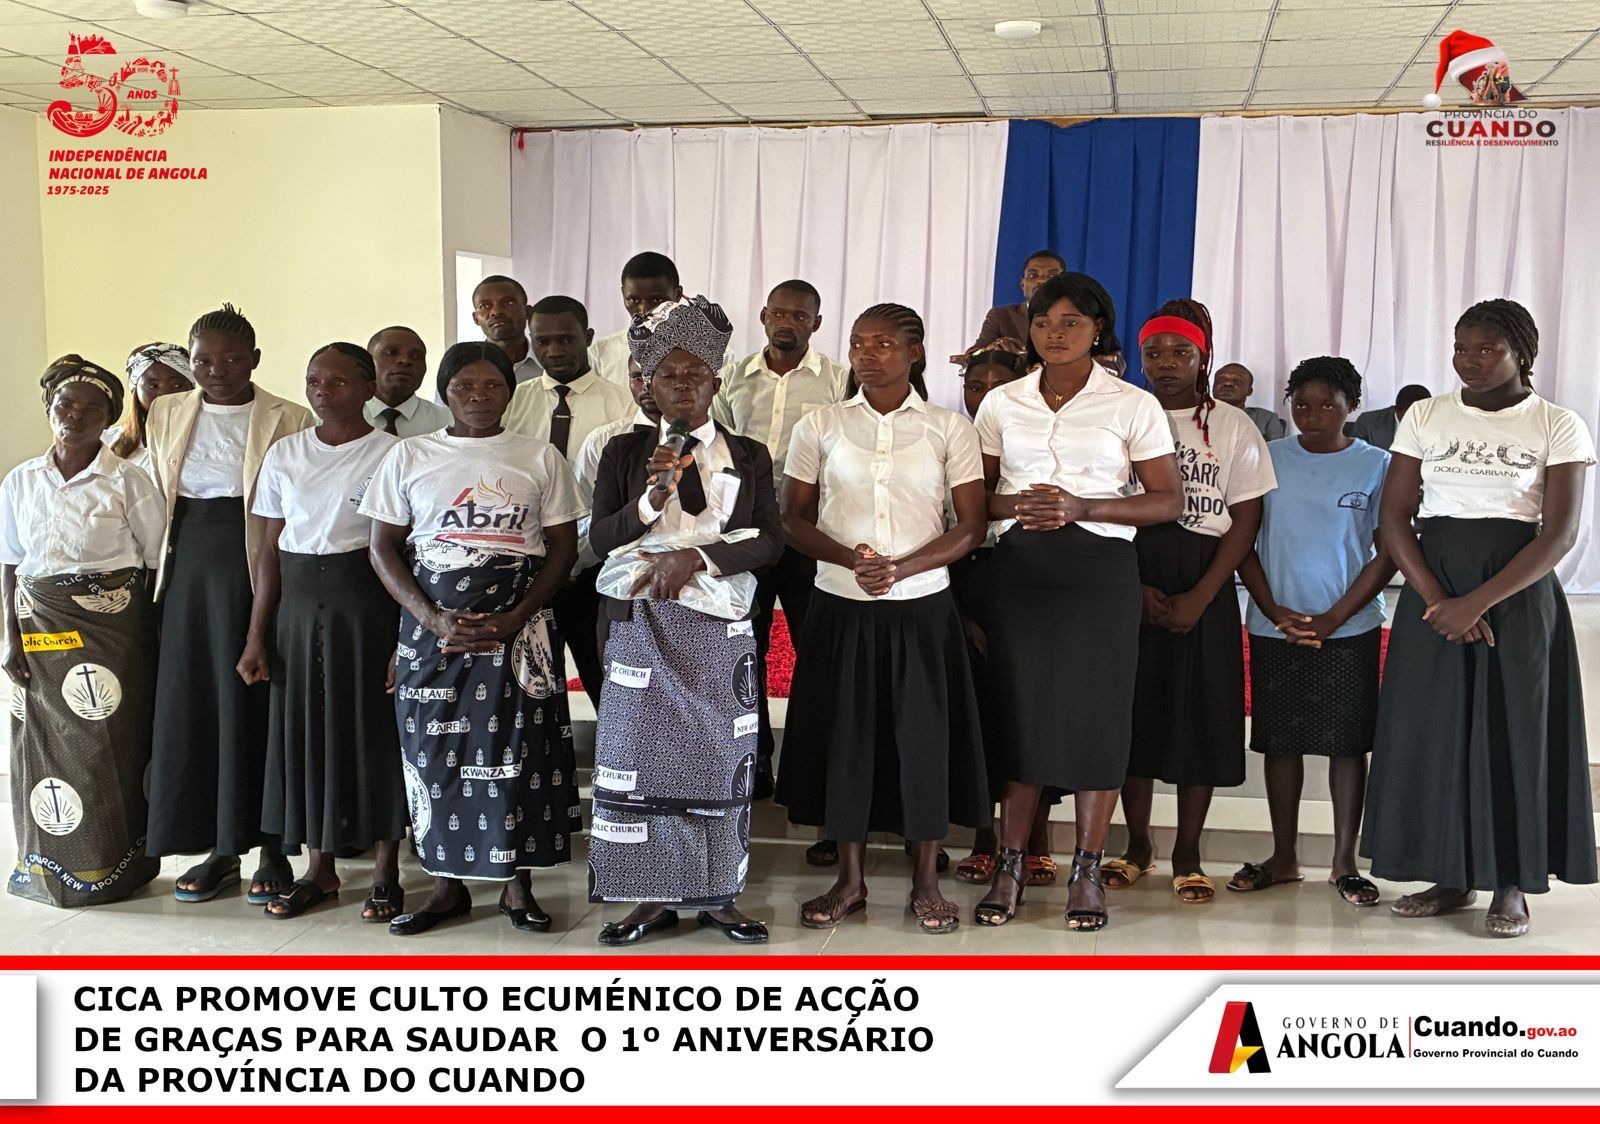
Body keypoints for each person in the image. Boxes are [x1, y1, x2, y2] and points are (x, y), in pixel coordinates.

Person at [1362, 299, 1596, 939]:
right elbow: (1394, 518)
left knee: (1512, 733)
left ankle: (1511, 883)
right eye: (1461, 347)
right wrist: (1438, 600)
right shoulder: (1425, 415)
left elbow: (1560, 534)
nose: (1469, 360)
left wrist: (1476, 603)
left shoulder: (1558, 424)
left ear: (1522, 352)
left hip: (1516, 594)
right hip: (1432, 590)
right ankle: (1449, 875)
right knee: (1436, 731)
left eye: (1486, 348)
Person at [972, 273, 1183, 932]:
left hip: (1099, 573)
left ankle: (1086, 871)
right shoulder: (1001, 401)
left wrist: (1082, 506)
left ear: (1098, 329)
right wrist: (1019, 504)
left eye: (1070, 322)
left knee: (1098, 720)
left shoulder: (1132, 404)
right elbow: (974, 501)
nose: (1054, 334)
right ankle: (1010, 865)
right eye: (1043, 322)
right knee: (1021, 714)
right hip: (1019, 570)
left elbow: (1167, 501)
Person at [776, 304, 990, 935]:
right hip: (841, 602)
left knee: (923, 739)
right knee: (847, 739)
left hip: (922, 606)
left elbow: (971, 526)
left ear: (914, 352)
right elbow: (792, 519)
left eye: (883, 344)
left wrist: (902, 568)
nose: (867, 355)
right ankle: (850, 880)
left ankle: (926, 882)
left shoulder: (948, 429)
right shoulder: (821, 424)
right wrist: (854, 560)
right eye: (858, 344)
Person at [361, 341, 584, 937]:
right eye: (464, 386)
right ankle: (446, 888)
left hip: (519, 628)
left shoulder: (540, 457)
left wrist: (516, 617)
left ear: (511, 391)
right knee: (435, 755)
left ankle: (517, 887)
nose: (479, 397)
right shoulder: (410, 455)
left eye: (492, 386)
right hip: (434, 630)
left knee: (517, 754)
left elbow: (563, 550)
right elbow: (382, 548)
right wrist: (430, 618)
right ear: (444, 392)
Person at [585, 295, 784, 946]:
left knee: (717, 759)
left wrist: (695, 558)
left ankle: (720, 897)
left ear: (715, 383)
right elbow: (600, 538)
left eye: (694, 374)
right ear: (649, 385)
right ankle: (647, 898)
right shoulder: (623, 451)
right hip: (640, 624)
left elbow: (770, 541)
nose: (681, 385)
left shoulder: (747, 454)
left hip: (716, 631)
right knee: (639, 762)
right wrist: (650, 501)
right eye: (667, 375)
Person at [144, 304, 314, 905]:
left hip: (258, 566)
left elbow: (292, 505)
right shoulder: (166, 410)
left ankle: (272, 847)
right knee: (200, 703)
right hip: (186, 569)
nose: (217, 371)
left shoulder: (288, 416)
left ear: (255, 360)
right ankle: (220, 849)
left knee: (261, 702)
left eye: (232, 359)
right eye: (203, 360)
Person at [1110, 300, 1276, 906]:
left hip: (1205, 577)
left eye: (1181, 352)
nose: (1167, 363)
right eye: (1153, 352)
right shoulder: (1120, 414)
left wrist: (1201, 598)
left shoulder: (1232, 425)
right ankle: (1136, 846)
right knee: (1132, 715)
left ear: (1202, 357)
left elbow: (1245, 519)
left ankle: (1187, 853)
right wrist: (1130, 588)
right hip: (1127, 570)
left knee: (1200, 719)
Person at [236, 343, 406, 922]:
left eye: (338, 382)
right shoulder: (286, 453)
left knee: (373, 730)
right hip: (298, 606)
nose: (322, 392)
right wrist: (257, 635)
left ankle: (385, 870)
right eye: (313, 381)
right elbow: (269, 550)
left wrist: (403, 639)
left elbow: (403, 550)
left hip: (367, 602)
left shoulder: (393, 453)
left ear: (368, 389)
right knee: (306, 733)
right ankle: (320, 868)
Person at [1, 357, 164, 907]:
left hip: (109, 631)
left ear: (109, 419)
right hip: (37, 628)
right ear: (50, 410)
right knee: (37, 745)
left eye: (91, 409)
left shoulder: (128, 480)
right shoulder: (21, 480)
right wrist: (9, 636)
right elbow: (10, 562)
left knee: (103, 747)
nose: (75, 416)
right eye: (65, 405)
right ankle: (43, 869)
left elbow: (154, 561)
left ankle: (111, 869)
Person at [1231, 356, 1393, 907]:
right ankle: (1284, 856)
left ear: (1353, 407)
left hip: (1349, 628)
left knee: (1347, 746)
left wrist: (1334, 618)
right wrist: (1273, 610)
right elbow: (1243, 542)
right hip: (1275, 625)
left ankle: (1345, 862)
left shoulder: (1377, 464)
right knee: (1281, 743)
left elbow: (1387, 553)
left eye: (1328, 404)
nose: (1313, 414)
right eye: (1301, 404)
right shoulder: (1266, 457)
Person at [714, 279, 850, 800]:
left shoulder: (838, 381)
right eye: (779, 313)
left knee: (815, 652)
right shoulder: (732, 378)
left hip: (807, 533)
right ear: (764, 316)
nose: (787, 323)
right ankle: (754, 762)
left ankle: (809, 765)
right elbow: (718, 448)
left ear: (817, 323)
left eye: (800, 316)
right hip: (745, 534)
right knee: (743, 650)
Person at [949, 348, 1059, 890]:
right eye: (976, 386)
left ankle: (1036, 841)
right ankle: (984, 841)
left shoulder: (1031, 436)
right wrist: (965, 615)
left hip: (1028, 573)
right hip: (966, 581)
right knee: (980, 720)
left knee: (1035, 715)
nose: (985, 395)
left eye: (998, 385)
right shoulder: (948, 438)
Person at [505, 296, 635, 705]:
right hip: (526, 562)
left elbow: (620, 497)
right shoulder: (514, 402)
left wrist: (576, 559)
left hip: (592, 565)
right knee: (532, 676)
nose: (554, 351)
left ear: (588, 338)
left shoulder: (622, 404)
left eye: (565, 339)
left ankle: (611, 743)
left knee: (600, 671)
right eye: (542, 341)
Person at [591, 253, 735, 386]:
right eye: (633, 300)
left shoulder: (717, 352)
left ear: (677, 295)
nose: (643, 310)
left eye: (656, 300)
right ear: (623, 294)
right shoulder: (601, 354)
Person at [956, 249, 1065, 359]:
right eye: (1033, 275)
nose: (1042, 280)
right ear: (1022, 284)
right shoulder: (1001, 316)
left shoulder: (1074, 317)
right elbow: (971, 355)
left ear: (1065, 283)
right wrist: (989, 349)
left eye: (1052, 276)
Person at [109, 343, 194, 473]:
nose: (165, 394)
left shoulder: (207, 436)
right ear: (135, 390)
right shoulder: (107, 441)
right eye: (153, 386)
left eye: (177, 385)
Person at [365, 326, 449, 437]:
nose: (405, 360)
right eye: (391, 352)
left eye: (416, 356)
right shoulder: (344, 417)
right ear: (368, 361)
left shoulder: (447, 424)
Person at [471, 275, 541, 385]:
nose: (496, 312)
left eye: (508, 303)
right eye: (485, 306)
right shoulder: (462, 370)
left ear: (528, 312)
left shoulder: (549, 366)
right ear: (476, 319)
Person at [1212, 363, 1287, 441]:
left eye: (1237, 381)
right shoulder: (1203, 415)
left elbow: (1277, 448)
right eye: (1221, 379)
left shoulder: (1267, 419)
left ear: (1249, 391)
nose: (1228, 383)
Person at [1345, 384, 1431, 450]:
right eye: (1413, 415)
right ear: (1396, 410)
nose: (1419, 420)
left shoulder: (1435, 423)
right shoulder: (1367, 422)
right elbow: (1354, 453)